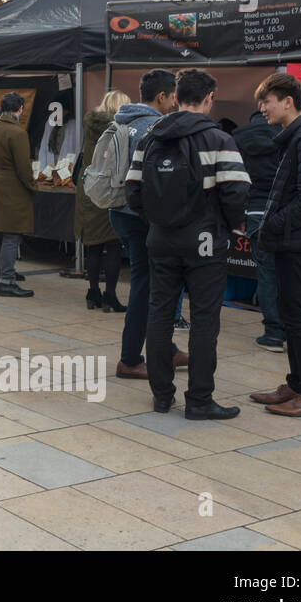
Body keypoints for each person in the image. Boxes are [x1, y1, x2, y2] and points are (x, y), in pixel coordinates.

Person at [126, 68, 248, 419]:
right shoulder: (219, 139)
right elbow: (236, 192)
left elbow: (133, 191)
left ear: (176, 98)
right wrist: (226, 224)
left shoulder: (150, 138)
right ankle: (199, 400)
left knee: (160, 314)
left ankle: (162, 396)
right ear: (209, 98)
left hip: (161, 239)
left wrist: (156, 219)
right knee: (205, 320)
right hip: (206, 242)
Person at [247, 72, 301, 417]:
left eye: (266, 101)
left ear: (287, 102)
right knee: (291, 314)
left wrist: (275, 225)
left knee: (297, 318)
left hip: (296, 244)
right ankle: (297, 385)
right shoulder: (294, 137)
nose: (262, 108)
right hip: (289, 243)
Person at [108, 70, 183, 379]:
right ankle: (130, 358)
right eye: (173, 96)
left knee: (149, 283)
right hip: (141, 216)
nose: (176, 102)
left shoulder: (121, 120)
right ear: (162, 96)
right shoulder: (153, 127)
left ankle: (165, 348)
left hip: (120, 211)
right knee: (148, 286)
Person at [233, 107, 286, 351]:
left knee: (266, 273)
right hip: (285, 212)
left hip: (254, 212)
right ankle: (297, 333)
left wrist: (237, 214)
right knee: (292, 274)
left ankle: (273, 333)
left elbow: (234, 180)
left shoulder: (238, 139)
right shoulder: (288, 135)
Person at [76, 90, 130, 311]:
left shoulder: (90, 125)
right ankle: (110, 296)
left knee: (93, 246)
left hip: (89, 189)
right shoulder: (120, 129)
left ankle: (92, 292)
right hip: (112, 189)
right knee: (113, 245)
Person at [0, 92, 36, 297]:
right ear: (20, 109)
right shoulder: (18, 133)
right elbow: (24, 167)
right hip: (14, 189)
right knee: (11, 237)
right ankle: (7, 281)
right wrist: (32, 187)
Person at [38, 104, 79, 170]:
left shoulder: (74, 125)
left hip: (66, 173)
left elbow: (77, 152)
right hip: (50, 171)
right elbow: (43, 149)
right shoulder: (49, 124)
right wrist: (42, 171)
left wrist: (70, 172)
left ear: (64, 111)